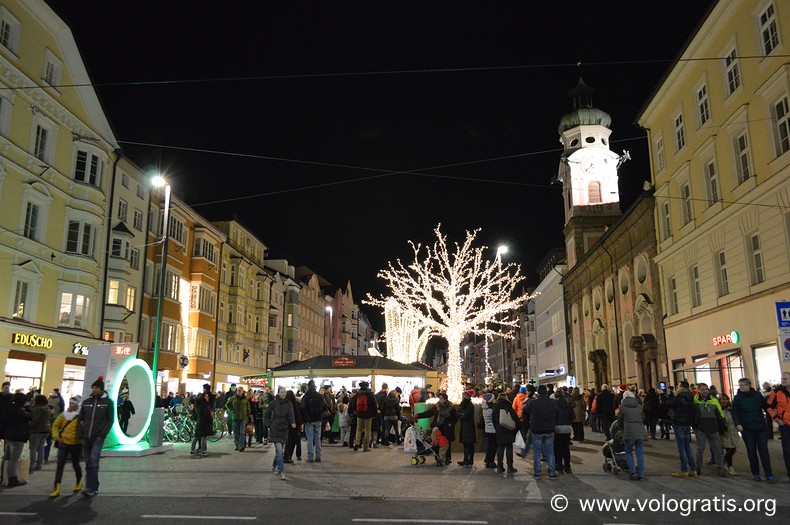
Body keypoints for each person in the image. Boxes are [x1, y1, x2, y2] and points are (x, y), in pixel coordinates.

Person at [732, 377, 775, 482]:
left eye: (743, 385)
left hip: (760, 427)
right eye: (740, 385)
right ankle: (755, 473)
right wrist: (737, 424)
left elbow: (765, 406)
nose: (741, 387)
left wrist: (774, 413)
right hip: (747, 429)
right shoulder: (737, 398)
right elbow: (734, 412)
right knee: (751, 451)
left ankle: (769, 474)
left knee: (763, 450)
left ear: (749, 385)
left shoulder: (757, 396)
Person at [77, 376, 114, 497]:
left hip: (98, 436)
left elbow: (110, 420)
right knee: (88, 463)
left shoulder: (108, 403)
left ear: (101, 389)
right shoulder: (87, 402)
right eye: (93, 387)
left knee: (93, 461)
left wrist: (103, 434)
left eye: (96, 388)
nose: (94, 389)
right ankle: (92, 485)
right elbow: (80, 418)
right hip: (86, 436)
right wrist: (80, 434)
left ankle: (91, 487)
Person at [49, 395, 83, 497]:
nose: (70, 405)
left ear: (77, 405)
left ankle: (79, 481)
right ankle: (57, 488)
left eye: (73, 403)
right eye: (70, 403)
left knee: (75, 464)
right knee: (60, 464)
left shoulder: (81, 416)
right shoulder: (63, 415)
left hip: (76, 444)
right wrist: (56, 437)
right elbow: (55, 426)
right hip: (63, 443)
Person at [523, 384, 557, 479]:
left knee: (537, 452)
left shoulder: (533, 402)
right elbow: (557, 412)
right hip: (549, 429)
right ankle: (552, 473)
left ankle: (537, 473)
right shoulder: (552, 402)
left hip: (536, 429)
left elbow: (525, 410)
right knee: (550, 452)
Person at [693, 383, 726, 477]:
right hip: (700, 428)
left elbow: (720, 414)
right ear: (698, 390)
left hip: (713, 428)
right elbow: (692, 414)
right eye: (703, 389)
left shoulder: (714, 401)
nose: (705, 391)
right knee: (700, 449)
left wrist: (723, 427)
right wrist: (695, 425)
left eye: (706, 389)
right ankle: (698, 468)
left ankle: (720, 469)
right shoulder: (695, 400)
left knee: (717, 449)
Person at [416, 392, 456, 464]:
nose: (439, 400)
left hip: (447, 429)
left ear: (445, 399)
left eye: (441, 398)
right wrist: (418, 416)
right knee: (437, 443)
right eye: (439, 398)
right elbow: (429, 413)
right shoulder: (437, 406)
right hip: (437, 428)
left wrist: (451, 424)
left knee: (446, 444)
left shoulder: (451, 407)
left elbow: (455, 417)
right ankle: (438, 458)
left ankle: (447, 458)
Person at [266, 386, 295, 481]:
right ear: (278, 393)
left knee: (280, 452)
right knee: (279, 451)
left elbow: (291, 414)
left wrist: (292, 422)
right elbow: (267, 415)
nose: (283, 394)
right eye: (281, 392)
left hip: (284, 429)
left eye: (284, 392)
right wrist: (269, 425)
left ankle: (274, 465)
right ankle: (281, 471)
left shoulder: (289, 403)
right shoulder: (273, 403)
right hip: (275, 429)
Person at [669, 381, 697, 478]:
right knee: (687, 446)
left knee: (681, 447)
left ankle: (684, 469)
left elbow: (667, 404)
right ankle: (693, 469)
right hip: (687, 424)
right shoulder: (691, 397)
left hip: (679, 423)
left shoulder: (678, 398)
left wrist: (670, 395)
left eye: (677, 386)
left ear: (680, 387)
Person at [3, 392, 31, 487]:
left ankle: (2, 477)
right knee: (13, 459)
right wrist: (28, 408)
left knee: (6, 457)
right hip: (17, 437)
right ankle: (12, 479)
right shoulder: (19, 410)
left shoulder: (10, 407)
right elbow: (29, 417)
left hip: (8, 435)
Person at [618, 390, 647, 480]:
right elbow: (643, 418)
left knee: (629, 452)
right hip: (640, 430)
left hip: (629, 431)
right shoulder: (639, 406)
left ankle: (633, 472)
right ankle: (641, 474)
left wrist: (623, 428)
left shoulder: (622, 406)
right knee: (640, 453)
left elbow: (619, 421)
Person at [766, 372, 790, 482]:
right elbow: (768, 407)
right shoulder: (775, 392)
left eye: (786, 379)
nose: (783, 380)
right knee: (787, 450)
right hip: (785, 425)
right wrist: (777, 419)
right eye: (782, 378)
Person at [300, 380, 327, 463]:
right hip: (318, 420)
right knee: (318, 438)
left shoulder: (306, 396)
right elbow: (325, 406)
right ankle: (318, 456)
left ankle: (310, 457)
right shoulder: (319, 396)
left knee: (310, 439)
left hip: (309, 421)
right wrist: (320, 414)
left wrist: (305, 416)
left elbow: (301, 408)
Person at [351, 381, 377, 452]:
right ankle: (366, 447)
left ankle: (357, 443)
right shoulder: (370, 394)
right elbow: (374, 404)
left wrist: (355, 411)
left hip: (359, 414)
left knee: (358, 429)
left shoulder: (357, 394)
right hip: (368, 415)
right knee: (367, 430)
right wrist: (374, 414)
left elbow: (353, 403)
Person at [29, 394, 51, 472]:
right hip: (46, 429)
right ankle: (39, 465)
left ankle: (31, 465)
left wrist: (30, 427)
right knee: (41, 448)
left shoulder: (38, 408)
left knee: (33, 448)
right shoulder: (47, 408)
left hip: (37, 430)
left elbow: (35, 420)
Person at [226, 386, 251, 452]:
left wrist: (249, 417)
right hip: (235, 417)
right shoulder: (233, 398)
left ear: (243, 391)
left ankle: (241, 446)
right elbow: (227, 404)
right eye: (238, 390)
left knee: (242, 432)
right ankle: (237, 444)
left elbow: (248, 408)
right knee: (236, 432)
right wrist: (231, 410)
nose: (239, 391)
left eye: (240, 390)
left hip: (243, 417)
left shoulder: (245, 400)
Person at [719, 393, 739, 476]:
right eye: (723, 399)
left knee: (732, 449)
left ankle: (725, 463)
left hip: (733, 431)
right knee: (730, 449)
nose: (725, 401)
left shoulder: (731, 409)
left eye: (726, 399)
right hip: (725, 432)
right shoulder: (719, 410)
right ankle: (729, 466)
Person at [554, 391, 573, 474]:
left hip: (557, 428)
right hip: (567, 428)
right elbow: (573, 416)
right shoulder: (568, 405)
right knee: (566, 448)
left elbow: (553, 416)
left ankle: (559, 465)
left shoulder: (554, 405)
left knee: (558, 448)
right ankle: (567, 466)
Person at [192, 384, 214, 457]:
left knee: (197, 436)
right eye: (206, 396)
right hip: (203, 422)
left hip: (199, 421)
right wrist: (210, 420)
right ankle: (203, 451)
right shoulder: (204, 406)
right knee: (203, 437)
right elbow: (207, 415)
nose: (208, 397)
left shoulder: (199, 404)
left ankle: (193, 450)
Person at [457, 389, 477, 467]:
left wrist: (461, 415)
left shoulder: (470, 405)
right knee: (465, 443)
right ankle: (466, 459)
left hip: (469, 427)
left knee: (469, 444)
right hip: (464, 426)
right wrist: (461, 414)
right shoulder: (463, 404)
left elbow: (465, 415)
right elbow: (458, 413)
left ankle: (470, 460)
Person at [284, 390, 303, 462]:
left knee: (288, 441)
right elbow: (298, 415)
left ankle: (286, 456)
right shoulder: (295, 404)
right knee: (294, 441)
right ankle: (290, 456)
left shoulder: (285, 403)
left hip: (287, 425)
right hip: (294, 425)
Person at [480, 392, 497, 468]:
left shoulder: (485, 408)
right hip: (492, 429)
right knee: (493, 446)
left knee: (490, 445)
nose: (495, 400)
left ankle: (488, 461)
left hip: (488, 429)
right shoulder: (491, 409)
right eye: (493, 398)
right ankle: (491, 461)